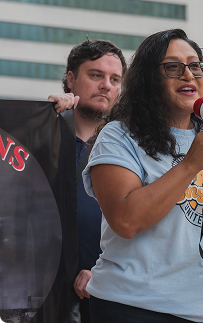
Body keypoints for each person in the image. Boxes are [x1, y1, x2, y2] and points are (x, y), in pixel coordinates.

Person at [81, 29, 203, 323]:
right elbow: (126, 221)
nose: (188, 75)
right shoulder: (119, 136)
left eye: (195, 66)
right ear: (148, 79)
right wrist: (190, 163)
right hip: (138, 308)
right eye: (173, 67)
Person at [48, 40, 127, 323]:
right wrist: (43, 122)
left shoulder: (131, 147)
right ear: (71, 79)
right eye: (96, 75)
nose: (106, 85)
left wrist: (104, 271)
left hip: (110, 295)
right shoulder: (45, 137)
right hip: (46, 293)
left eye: (114, 79)